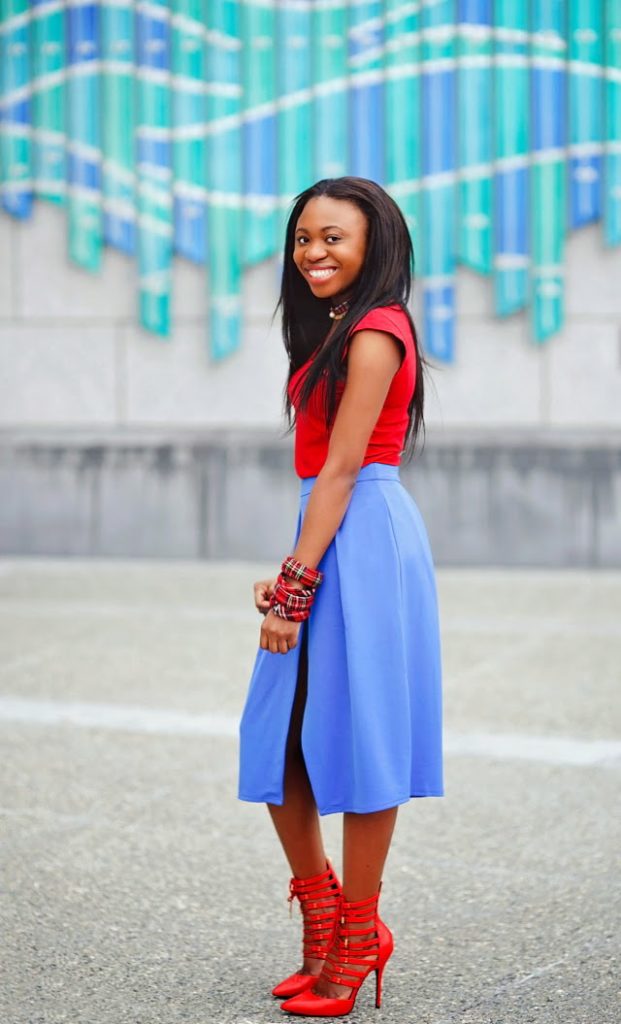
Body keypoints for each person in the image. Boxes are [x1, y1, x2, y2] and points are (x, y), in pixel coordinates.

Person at [238, 176, 443, 1017]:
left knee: (360, 738)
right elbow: (324, 475)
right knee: (276, 735)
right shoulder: (327, 329)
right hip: (329, 530)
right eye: (303, 238)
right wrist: (296, 561)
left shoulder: (377, 332)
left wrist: (294, 586)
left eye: (334, 239)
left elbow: (347, 468)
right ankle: (323, 914)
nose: (314, 253)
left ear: (373, 247)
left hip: (365, 532)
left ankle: (358, 933)